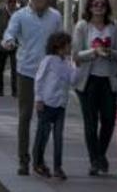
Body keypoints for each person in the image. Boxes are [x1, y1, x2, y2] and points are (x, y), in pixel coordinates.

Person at [2, 0, 63, 176]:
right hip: (26, 72)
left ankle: (38, 159)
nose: (49, 0)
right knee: (25, 115)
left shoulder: (55, 17)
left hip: (48, 74)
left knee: (45, 118)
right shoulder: (20, 16)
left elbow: (60, 40)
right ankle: (23, 160)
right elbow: (9, 33)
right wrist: (9, 41)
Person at [72, 0, 117, 176]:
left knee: (109, 120)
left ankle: (100, 155)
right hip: (88, 80)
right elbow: (76, 55)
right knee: (91, 122)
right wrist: (94, 52)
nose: (99, 7)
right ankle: (95, 160)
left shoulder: (114, 26)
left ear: (107, 7)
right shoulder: (82, 26)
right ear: (89, 7)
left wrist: (110, 53)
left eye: (102, 4)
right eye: (95, 4)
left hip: (109, 80)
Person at [32, 32, 77, 181]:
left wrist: (77, 66)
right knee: (43, 134)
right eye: (68, 44)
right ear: (59, 46)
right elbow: (39, 79)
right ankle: (38, 162)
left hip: (60, 105)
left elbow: (73, 80)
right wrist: (38, 99)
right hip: (47, 103)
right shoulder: (48, 60)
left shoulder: (67, 62)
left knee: (58, 137)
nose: (70, 47)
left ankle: (58, 167)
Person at [0, 0, 19, 97]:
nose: (12, 3)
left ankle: (15, 90)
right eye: (10, 1)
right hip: (2, 43)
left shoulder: (20, 13)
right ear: (6, 2)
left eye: (14, 1)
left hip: (16, 44)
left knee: (15, 67)